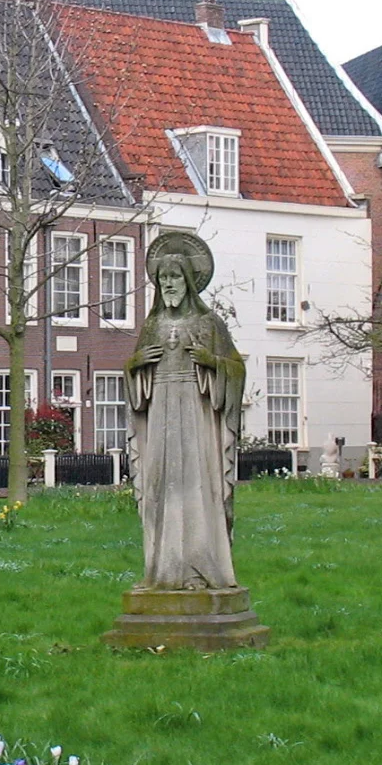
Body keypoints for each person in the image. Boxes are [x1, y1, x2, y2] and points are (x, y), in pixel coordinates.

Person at [126, 231, 245, 591]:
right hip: (160, 414)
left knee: (196, 484)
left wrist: (212, 362)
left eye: (175, 277)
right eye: (163, 279)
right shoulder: (152, 326)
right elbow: (135, 383)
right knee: (161, 486)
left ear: (189, 281)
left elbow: (236, 370)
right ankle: (164, 569)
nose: (168, 285)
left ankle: (199, 566)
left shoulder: (209, 325)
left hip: (196, 418)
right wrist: (135, 364)